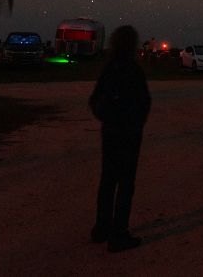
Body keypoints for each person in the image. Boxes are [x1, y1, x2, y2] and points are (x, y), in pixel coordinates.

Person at [89, 25, 151, 252]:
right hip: (129, 135)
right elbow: (144, 102)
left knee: (107, 181)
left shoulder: (110, 69)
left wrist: (107, 118)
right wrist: (136, 124)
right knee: (125, 184)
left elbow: (94, 99)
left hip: (111, 133)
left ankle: (101, 228)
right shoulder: (133, 70)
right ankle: (119, 234)